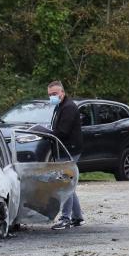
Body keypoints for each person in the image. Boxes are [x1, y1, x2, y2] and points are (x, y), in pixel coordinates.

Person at [46, 81, 85, 230]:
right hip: (66, 149)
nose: (52, 97)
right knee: (69, 184)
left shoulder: (68, 107)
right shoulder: (60, 106)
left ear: (62, 92)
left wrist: (47, 133)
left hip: (70, 150)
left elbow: (63, 131)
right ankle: (77, 217)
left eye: (54, 94)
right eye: (50, 95)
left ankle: (65, 218)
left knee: (65, 184)